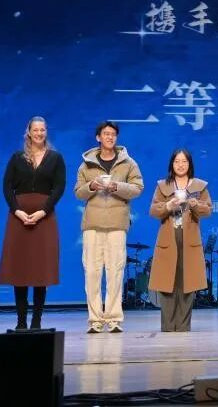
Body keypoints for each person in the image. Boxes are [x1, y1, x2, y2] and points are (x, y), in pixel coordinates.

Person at [74, 120, 144, 333]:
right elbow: (78, 192)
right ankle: (95, 319)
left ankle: (113, 318)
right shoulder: (87, 164)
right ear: (98, 137)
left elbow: (138, 187)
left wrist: (116, 186)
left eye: (113, 134)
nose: (110, 137)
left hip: (117, 224)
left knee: (115, 272)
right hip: (92, 224)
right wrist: (91, 186)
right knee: (92, 273)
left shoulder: (128, 162)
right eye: (106, 133)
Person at [0, 116, 66, 330]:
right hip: (18, 217)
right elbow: (7, 186)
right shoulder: (17, 157)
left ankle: (36, 321)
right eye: (35, 130)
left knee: (40, 270)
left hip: (44, 217)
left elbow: (59, 188)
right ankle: (21, 322)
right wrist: (16, 210)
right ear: (28, 132)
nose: (39, 133)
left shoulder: (56, 158)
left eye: (42, 130)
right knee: (20, 269)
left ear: (46, 131)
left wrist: (43, 211)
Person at [148, 149, 211, 332]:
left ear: (190, 164)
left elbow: (208, 210)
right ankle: (168, 326)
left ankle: (183, 326)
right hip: (169, 236)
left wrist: (196, 205)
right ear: (172, 164)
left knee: (188, 283)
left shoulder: (199, 186)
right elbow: (153, 210)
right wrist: (168, 205)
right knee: (167, 282)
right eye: (177, 161)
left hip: (189, 237)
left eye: (184, 161)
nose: (181, 165)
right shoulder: (163, 186)